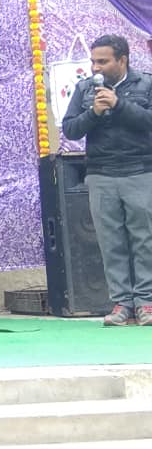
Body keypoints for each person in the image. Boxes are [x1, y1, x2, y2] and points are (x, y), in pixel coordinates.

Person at [62, 34, 152, 327]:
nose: (95, 67)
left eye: (102, 61)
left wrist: (119, 104)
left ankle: (146, 302)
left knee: (144, 240)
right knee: (110, 242)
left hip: (140, 171)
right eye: (93, 61)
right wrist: (94, 112)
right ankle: (121, 303)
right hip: (101, 174)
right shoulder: (85, 88)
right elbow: (71, 129)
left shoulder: (145, 84)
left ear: (122, 60)